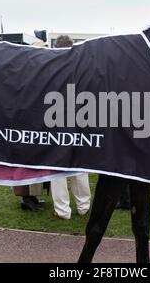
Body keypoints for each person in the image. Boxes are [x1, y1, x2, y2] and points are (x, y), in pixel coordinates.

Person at [50, 35, 91, 219]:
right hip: (79, 118)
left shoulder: (50, 68)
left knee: (57, 167)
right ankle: (84, 206)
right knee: (80, 164)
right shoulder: (82, 67)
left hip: (56, 119)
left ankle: (62, 210)